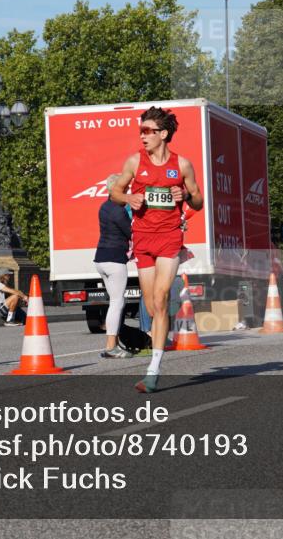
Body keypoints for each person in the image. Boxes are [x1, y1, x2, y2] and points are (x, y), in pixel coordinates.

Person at [110, 106, 203, 393]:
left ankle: (153, 370)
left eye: (148, 131)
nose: (142, 136)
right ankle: (162, 331)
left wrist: (185, 195)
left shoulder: (182, 165)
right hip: (143, 240)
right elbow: (114, 192)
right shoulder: (135, 162)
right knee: (151, 305)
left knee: (161, 298)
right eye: (140, 131)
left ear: (163, 134)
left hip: (169, 237)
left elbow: (198, 201)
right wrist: (128, 197)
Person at [94, 174, 135, 358]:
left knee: (116, 302)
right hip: (114, 259)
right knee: (117, 303)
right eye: (124, 189)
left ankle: (115, 343)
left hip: (101, 258)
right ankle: (111, 347)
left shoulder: (105, 207)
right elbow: (131, 232)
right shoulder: (119, 211)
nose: (126, 192)